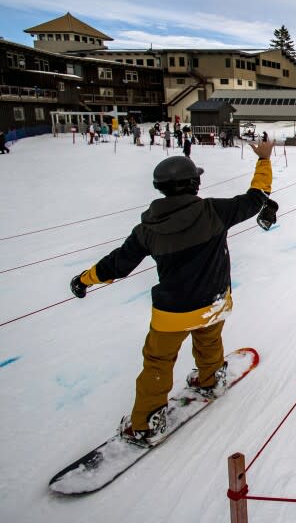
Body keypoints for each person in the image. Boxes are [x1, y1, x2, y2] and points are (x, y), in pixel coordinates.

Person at [68, 140, 277, 446]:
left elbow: (117, 264)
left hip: (172, 313)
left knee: (158, 363)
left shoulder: (147, 230)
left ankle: (146, 424)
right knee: (209, 342)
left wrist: (85, 280)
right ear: (194, 183)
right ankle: (209, 379)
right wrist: (263, 159)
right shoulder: (214, 212)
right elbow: (257, 197)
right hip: (215, 302)